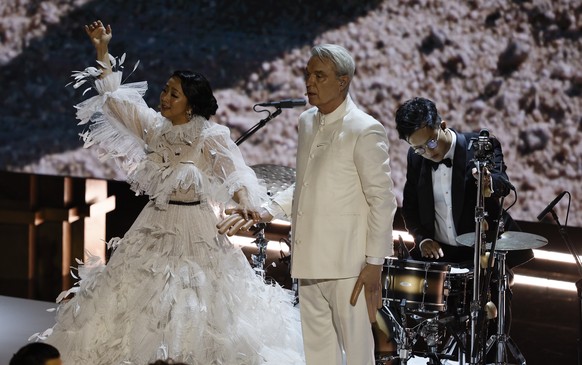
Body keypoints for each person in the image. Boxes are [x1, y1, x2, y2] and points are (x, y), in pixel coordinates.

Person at [33, 20, 304, 365]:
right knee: (138, 297)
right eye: (165, 90)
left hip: (196, 228)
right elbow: (116, 102)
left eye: (173, 94)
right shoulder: (155, 128)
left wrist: (247, 202)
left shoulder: (210, 136)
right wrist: (102, 51)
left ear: (190, 105)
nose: (164, 97)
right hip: (155, 222)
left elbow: (234, 173)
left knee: (192, 298)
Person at [219, 44, 397, 365]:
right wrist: (267, 210)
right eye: (307, 75)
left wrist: (374, 263)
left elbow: (383, 200)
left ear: (342, 82)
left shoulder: (365, 128)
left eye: (319, 76)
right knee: (318, 356)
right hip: (309, 260)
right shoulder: (306, 122)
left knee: (358, 356)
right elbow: (304, 183)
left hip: (349, 268)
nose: (309, 83)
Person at [393, 97, 533, 358]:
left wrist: (489, 183)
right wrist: (422, 239)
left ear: (442, 125)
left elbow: (502, 184)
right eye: (419, 148)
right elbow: (410, 207)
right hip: (441, 256)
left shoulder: (480, 146)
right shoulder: (416, 158)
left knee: (486, 329)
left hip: (480, 256)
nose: (427, 152)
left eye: (431, 143)